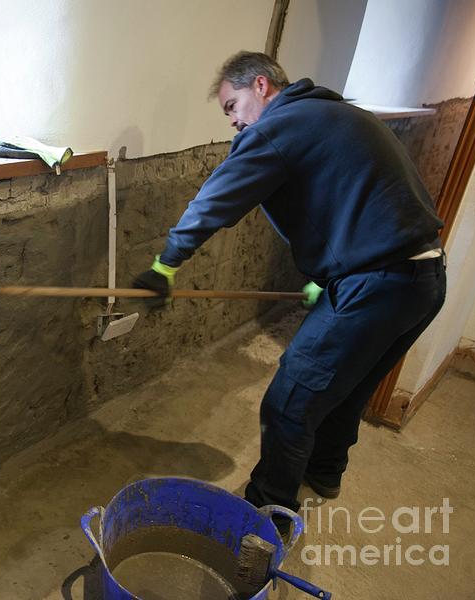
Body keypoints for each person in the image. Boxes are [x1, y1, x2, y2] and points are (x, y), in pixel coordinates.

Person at [133, 51, 446, 516]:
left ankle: (266, 517)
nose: (235, 124)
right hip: (423, 277)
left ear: (261, 86)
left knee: (290, 401)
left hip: (375, 283)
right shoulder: (335, 112)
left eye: (232, 107)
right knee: (346, 391)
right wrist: (327, 278)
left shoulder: (279, 126)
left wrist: (165, 266)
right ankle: (322, 475)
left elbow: (214, 201)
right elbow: (355, 201)